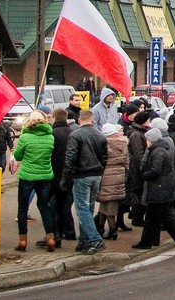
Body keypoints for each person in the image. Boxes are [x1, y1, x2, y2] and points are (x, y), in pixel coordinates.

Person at [134, 127, 175, 251]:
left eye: (147, 139)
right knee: (151, 216)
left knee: (166, 215)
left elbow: (156, 170)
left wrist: (144, 175)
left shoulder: (158, 151)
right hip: (160, 187)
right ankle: (146, 241)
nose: (146, 142)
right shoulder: (161, 149)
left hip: (159, 188)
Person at [60, 109, 107, 254]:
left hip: (82, 175)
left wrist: (65, 178)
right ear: (92, 119)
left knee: (82, 209)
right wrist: (100, 171)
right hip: (96, 174)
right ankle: (84, 240)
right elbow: (105, 157)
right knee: (89, 207)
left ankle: (94, 239)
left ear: (80, 119)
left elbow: (70, 158)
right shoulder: (100, 135)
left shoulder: (76, 135)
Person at [13, 110, 58, 252]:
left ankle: (22, 241)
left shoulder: (25, 137)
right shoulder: (50, 137)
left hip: (27, 176)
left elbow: (18, 156)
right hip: (45, 176)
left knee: (22, 208)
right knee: (45, 206)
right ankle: (50, 237)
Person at [49, 108, 78, 248]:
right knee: (65, 205)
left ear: (54, 118)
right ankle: (67, 232)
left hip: (55, 174)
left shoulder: (53, 134)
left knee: (54, 206)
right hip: (71, 174)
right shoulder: (73, 133)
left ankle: (56, 235)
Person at [96, 123, 130, 239]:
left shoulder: (105, 146)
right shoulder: (123, 145)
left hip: (106, 176)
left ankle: (112, 230)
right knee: (108, 202)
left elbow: (100, 161)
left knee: (107, 203)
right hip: (119, 176)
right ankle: (101, 227)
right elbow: (127, 163)